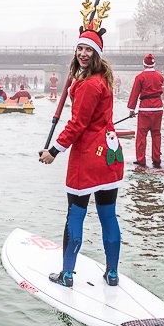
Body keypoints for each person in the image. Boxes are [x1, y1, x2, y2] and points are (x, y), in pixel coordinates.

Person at [39, 16, 124, 289]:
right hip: (110, 154)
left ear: (97, 53)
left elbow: (78, 124)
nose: (83, 53)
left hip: (88, 158)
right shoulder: (101, 80)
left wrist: (54, 149)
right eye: (80, 49)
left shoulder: (88, 85)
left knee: (75, 215)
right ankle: (112, 274)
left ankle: (67, 275)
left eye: (89, 50)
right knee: (108, 215)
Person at [127, 54, 164, 167]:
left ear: (144, 64)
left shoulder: (140, 77)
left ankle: (141, 160)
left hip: (145, 109)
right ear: (154, 64)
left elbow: (135, 94)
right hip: (158, 108)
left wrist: (131, 110)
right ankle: (156, 159)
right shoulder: (160, 76)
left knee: (141, 135)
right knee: (156, 134)